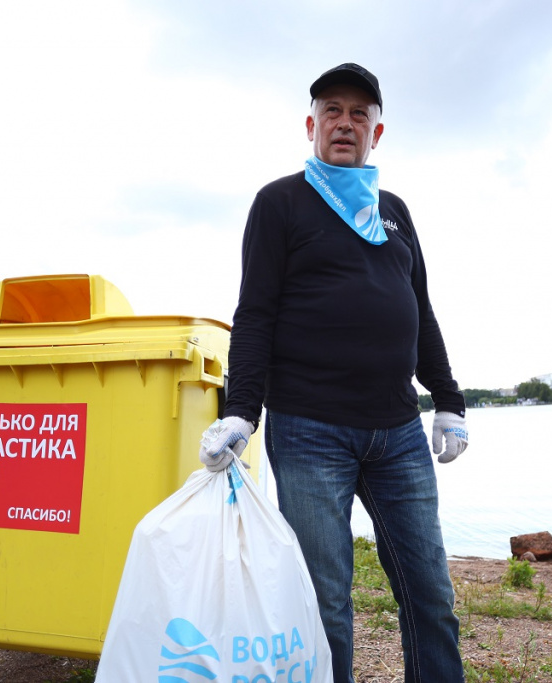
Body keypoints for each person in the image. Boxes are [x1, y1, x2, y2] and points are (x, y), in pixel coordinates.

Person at [199, 63, 469, 683]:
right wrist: (242, 410)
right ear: (311, 124)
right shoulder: (279, 203)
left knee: (431, 593)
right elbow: (256, 313)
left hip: (398, 431)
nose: (345, 122)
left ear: (377, 132)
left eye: (359, 113)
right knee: (326, 604)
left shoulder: (394, 211)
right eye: (332, 110)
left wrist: (449, 399)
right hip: (309, 430)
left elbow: (419, 308)